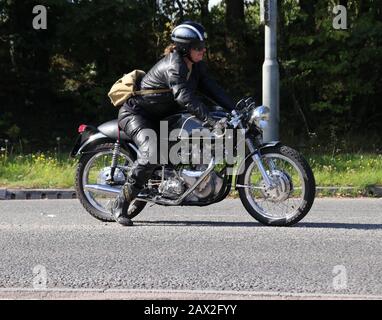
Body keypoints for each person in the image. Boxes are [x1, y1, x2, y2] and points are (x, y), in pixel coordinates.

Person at [112, 21, 235, 226]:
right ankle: (120, 203)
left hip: (163, 115)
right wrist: (212, 121)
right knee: (151, 153)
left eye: (204, 45)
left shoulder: (195, 66)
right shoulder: (174, 65)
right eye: (198, 47)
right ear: (185, 48)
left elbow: (213, 90)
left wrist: (233, 110)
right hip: (138, 115)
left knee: (192, 136)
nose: (203, 50)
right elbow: (184, 98)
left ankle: (182, 179)